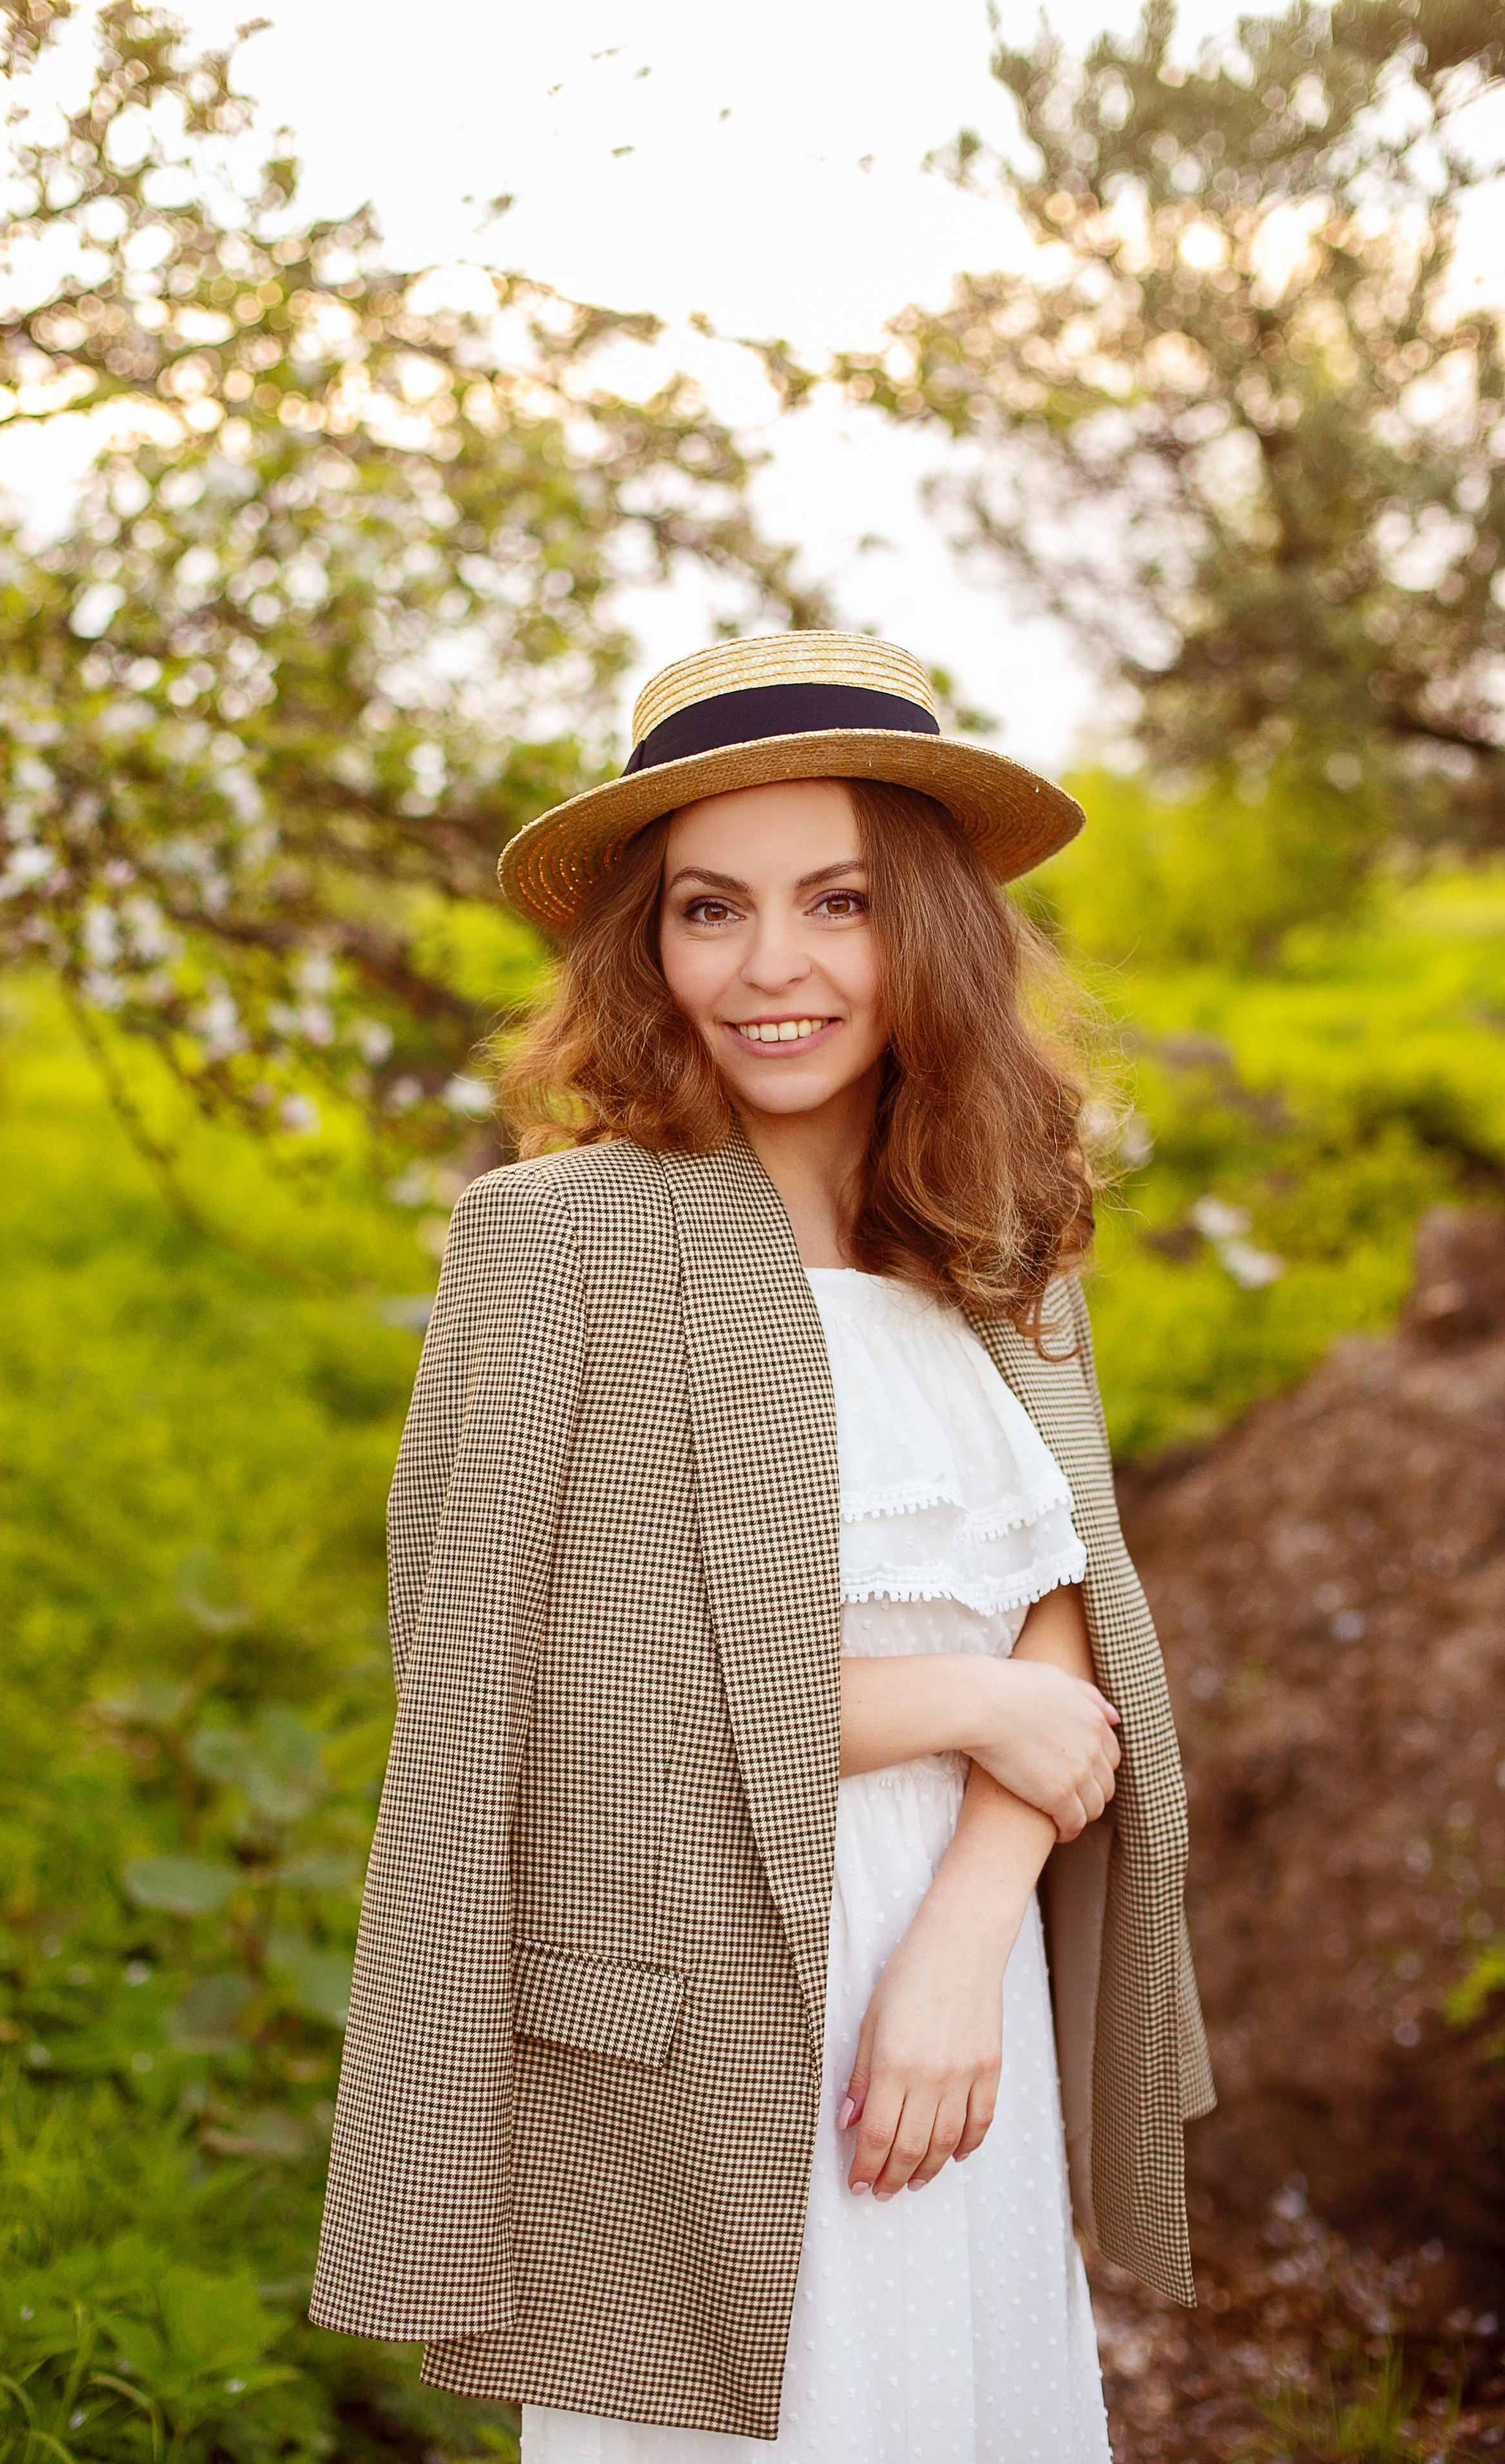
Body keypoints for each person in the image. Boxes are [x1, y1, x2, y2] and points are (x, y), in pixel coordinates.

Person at [310, 633, 1214, 2461]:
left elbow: (1063, 1608)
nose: (771, 968)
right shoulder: (562, 1248)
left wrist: (968, 1928)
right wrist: (967, 1701)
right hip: (690, 2024)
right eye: (711, 909)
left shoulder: (997, 1241)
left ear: (935, 929)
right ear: (648, 944)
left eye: (840, 901)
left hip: (959, 2002)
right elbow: (526, 1707)